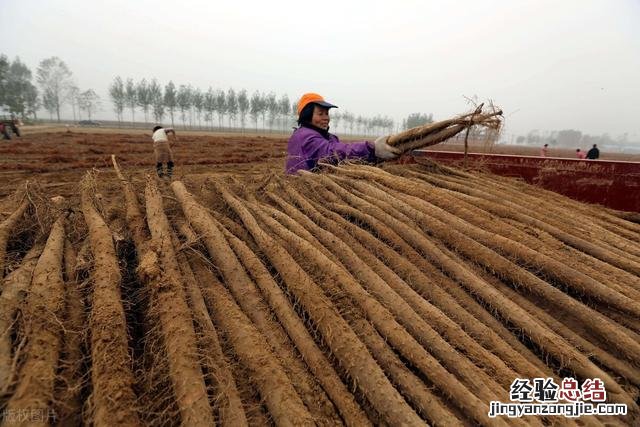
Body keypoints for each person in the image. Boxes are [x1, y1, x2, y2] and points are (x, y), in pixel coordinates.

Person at [286, 93, 400, 174]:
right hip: (305, 190)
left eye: (327, 113)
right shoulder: (305, 136)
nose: (326, 118)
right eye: (320, 114)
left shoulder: (324, 136)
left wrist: (375, 158)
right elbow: (331, 152)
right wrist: (371, 148)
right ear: (307, 116)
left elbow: (342, 157)